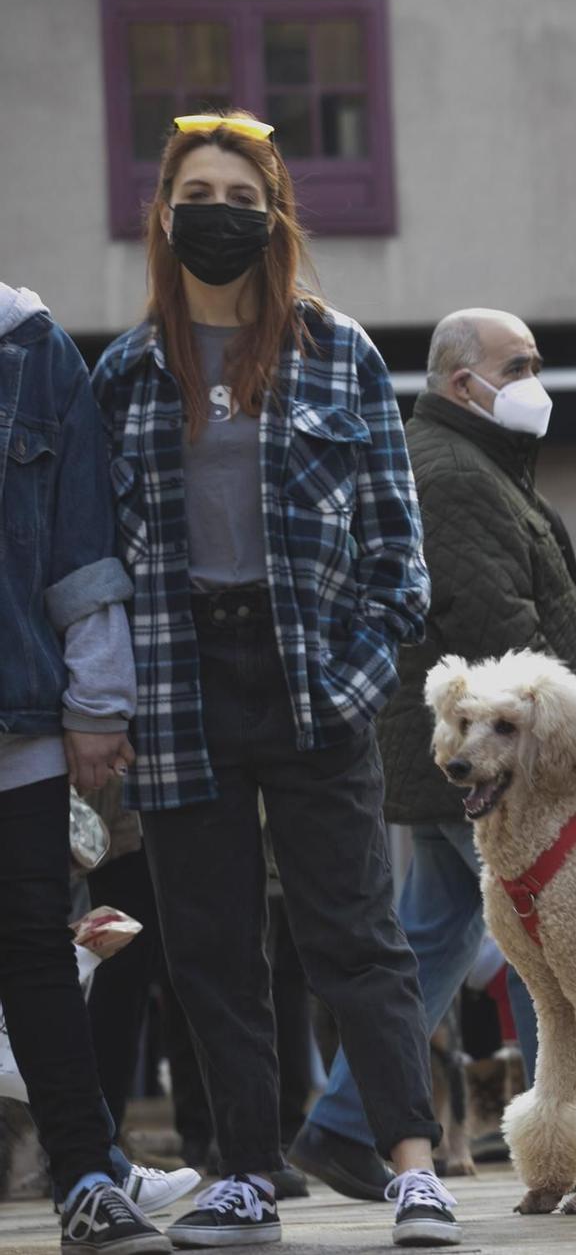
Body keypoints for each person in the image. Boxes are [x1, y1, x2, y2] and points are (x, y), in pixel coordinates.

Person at [92, 111, 457, 1248]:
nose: (218, 212)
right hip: (177, 675)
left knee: (354, 932)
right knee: (208, 942)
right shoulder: (124, 368)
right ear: (163, 214)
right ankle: (244, 1168)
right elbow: (99, 559)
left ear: (273, 217)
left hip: (312, 671)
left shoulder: (335, 348)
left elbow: (401, 557)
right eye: (197, 192)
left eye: (242, 198)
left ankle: (412, 1166)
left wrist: (354, 680)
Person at [289, 308, 576, 1200]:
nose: (535, 380)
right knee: (542, 943)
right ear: (460, 380)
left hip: (468, 757)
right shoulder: (459, 476)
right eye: (520, 364)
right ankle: (569, 1138)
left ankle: (348, 1119)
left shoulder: (472, 464)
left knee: (449, 932)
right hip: (496, 762)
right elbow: (498, 635)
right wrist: (562, 758)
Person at [0, 282, 203, 1252]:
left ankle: (84, 1171)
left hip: (16, 715)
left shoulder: (29, 344)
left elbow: (80, 540)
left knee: (36, 947)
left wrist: (95, 701)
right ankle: (99, 1163)